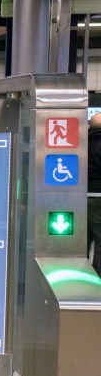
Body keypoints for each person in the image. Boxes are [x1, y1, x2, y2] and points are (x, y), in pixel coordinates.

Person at [88, 112, 101, 273]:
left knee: (80, 240)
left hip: (79, 198)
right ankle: (97, 276)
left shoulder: (82, 144)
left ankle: (79, 275)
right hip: (99, 198)